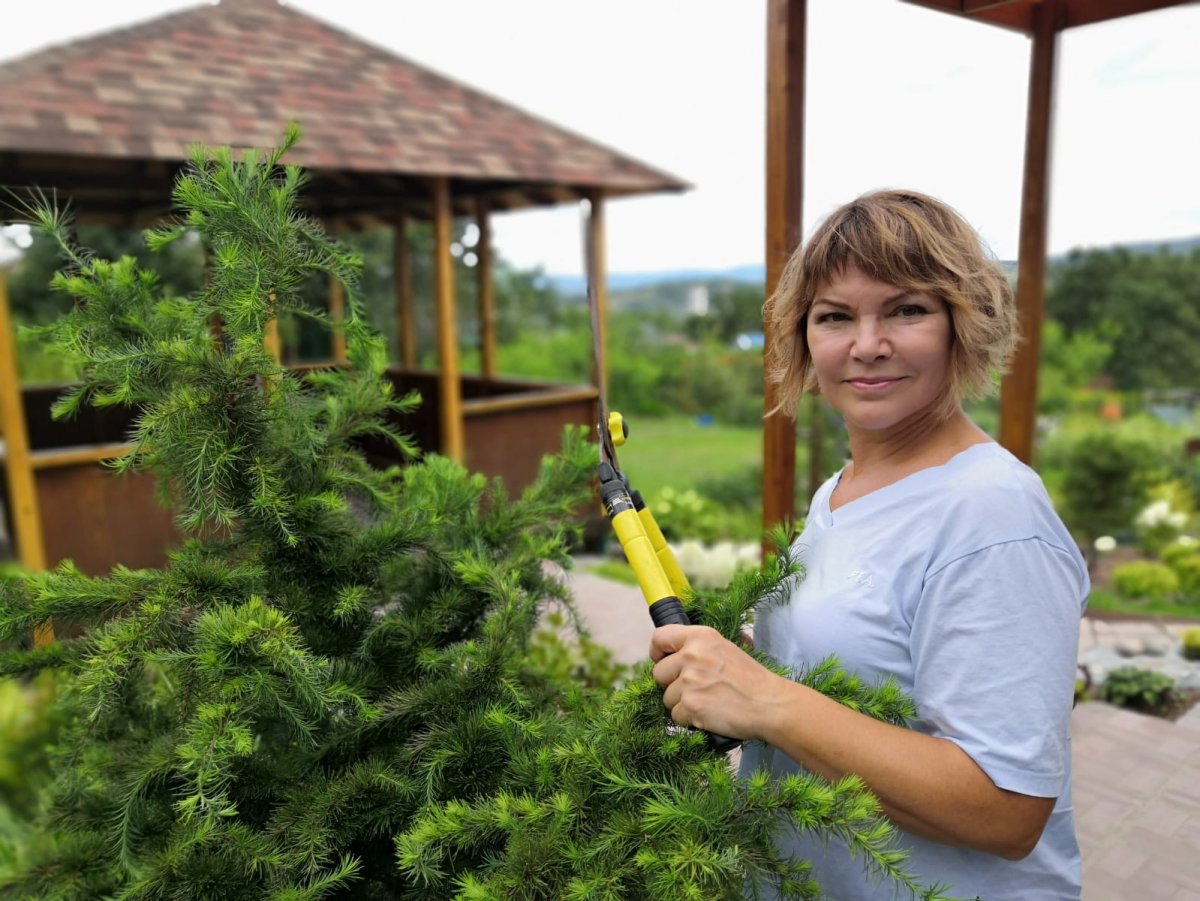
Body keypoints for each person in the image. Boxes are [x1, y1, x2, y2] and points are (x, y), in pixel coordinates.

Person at [650, 190, 1088, 900]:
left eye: (906, 309)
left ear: (961, 325)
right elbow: (871, 657)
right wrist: (741, 661)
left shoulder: (991, 518)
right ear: (803, 337)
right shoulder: (844, 488)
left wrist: (767, 700)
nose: (866, 343)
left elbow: (1008, 809)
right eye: (834, 316)